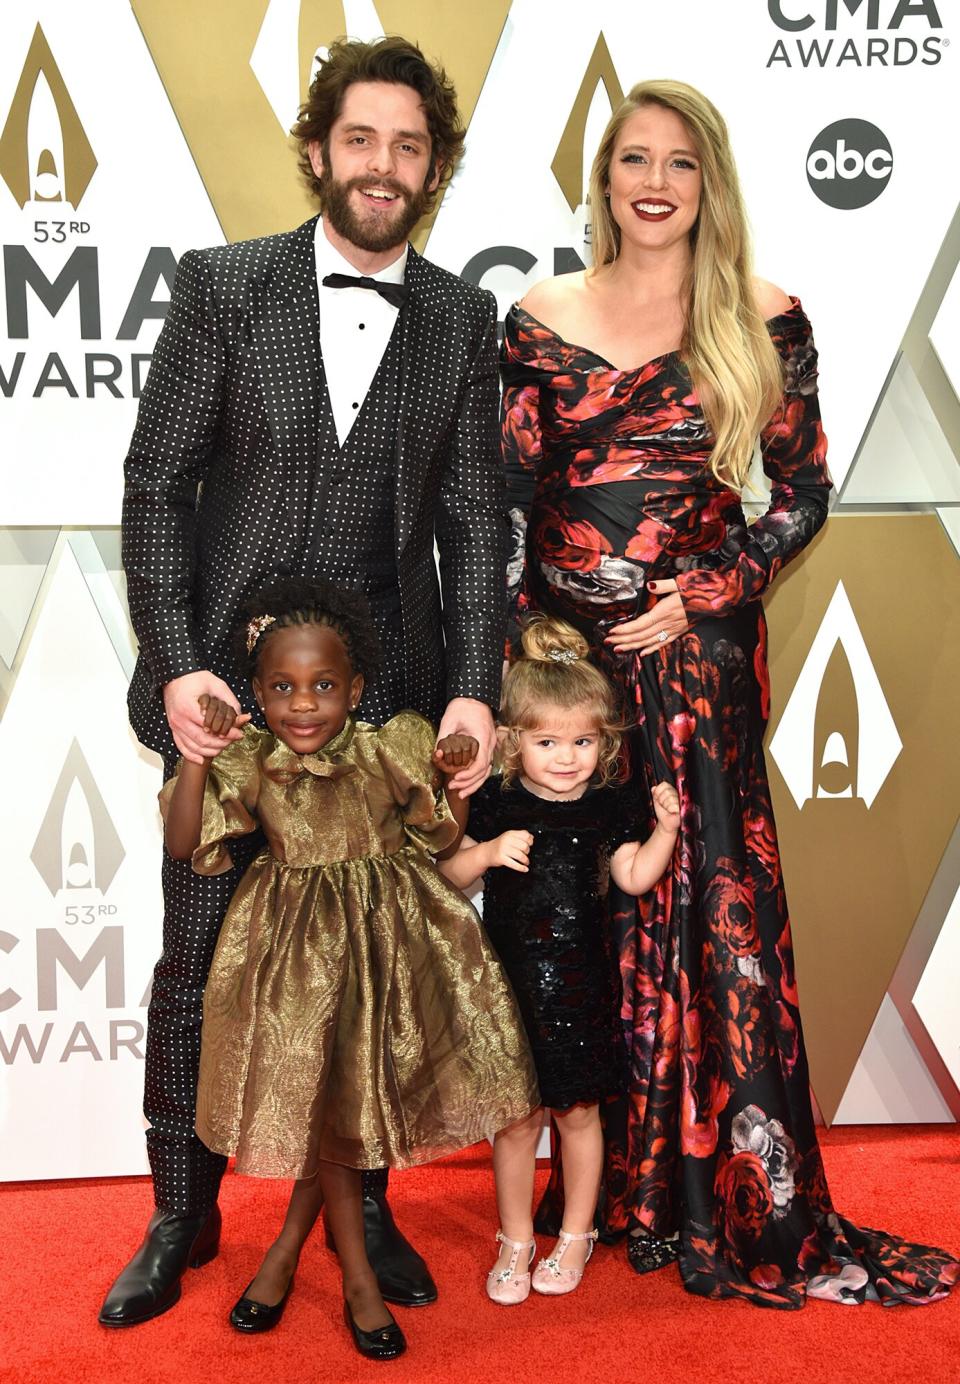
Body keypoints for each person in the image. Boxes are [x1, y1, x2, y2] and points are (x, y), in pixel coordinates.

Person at [501, 79, 960, 1307]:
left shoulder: (765, 316)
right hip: (569, 679)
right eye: (634, 158)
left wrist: (703, 587)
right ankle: (610, 1185)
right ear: (603, 179)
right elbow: (505, 500)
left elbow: (800, 493)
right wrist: (522, 649)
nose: (655, 181)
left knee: (715, 907)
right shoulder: (540, 315)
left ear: (712, 183)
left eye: (682, 162)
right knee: (584, 914)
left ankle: (730, 1190)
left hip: (698, 665)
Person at [102, 35, 507, 1328]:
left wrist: (476, 687)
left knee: (371, 973)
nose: (383, 166)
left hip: (386, 701)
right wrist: (174, 669)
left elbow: (477, 520)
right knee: (198, 961)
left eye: (409, 145)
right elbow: (158, 490)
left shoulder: (459, 315)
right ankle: (182, 1211)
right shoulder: (224, 289)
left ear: (432, 168)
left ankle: (367, 1210)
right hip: (227, 693)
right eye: (362, 139)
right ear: (320, 149)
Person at [159, 578, 538, 1358]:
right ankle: (354, 1278)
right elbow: (182, 845)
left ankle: (287, 1257)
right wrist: (196, 753)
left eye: (324, 686)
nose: (304, 705)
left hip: (381, 947)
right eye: (284, 688)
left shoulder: (384, 746)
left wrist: (455, 770)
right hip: (293, 956)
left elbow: (438, 837)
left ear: (356, 688)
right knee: (324, 1115)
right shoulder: (253, 759)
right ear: (257, 694)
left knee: (332, 1117)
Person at [439, 614, 679, 1304]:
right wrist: (483, 854)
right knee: (515, 1120)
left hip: (583, 993)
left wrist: (664, 829)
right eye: (548, 741)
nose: (567, 756)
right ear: (514, 744)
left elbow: (634, 876)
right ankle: (514, 1239)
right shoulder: (493, 804)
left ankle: (575, 1234)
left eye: (582, 741)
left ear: (602, 744)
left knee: (578, 1115)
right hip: (509, 992)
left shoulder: (607, 809)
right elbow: (444, 875)